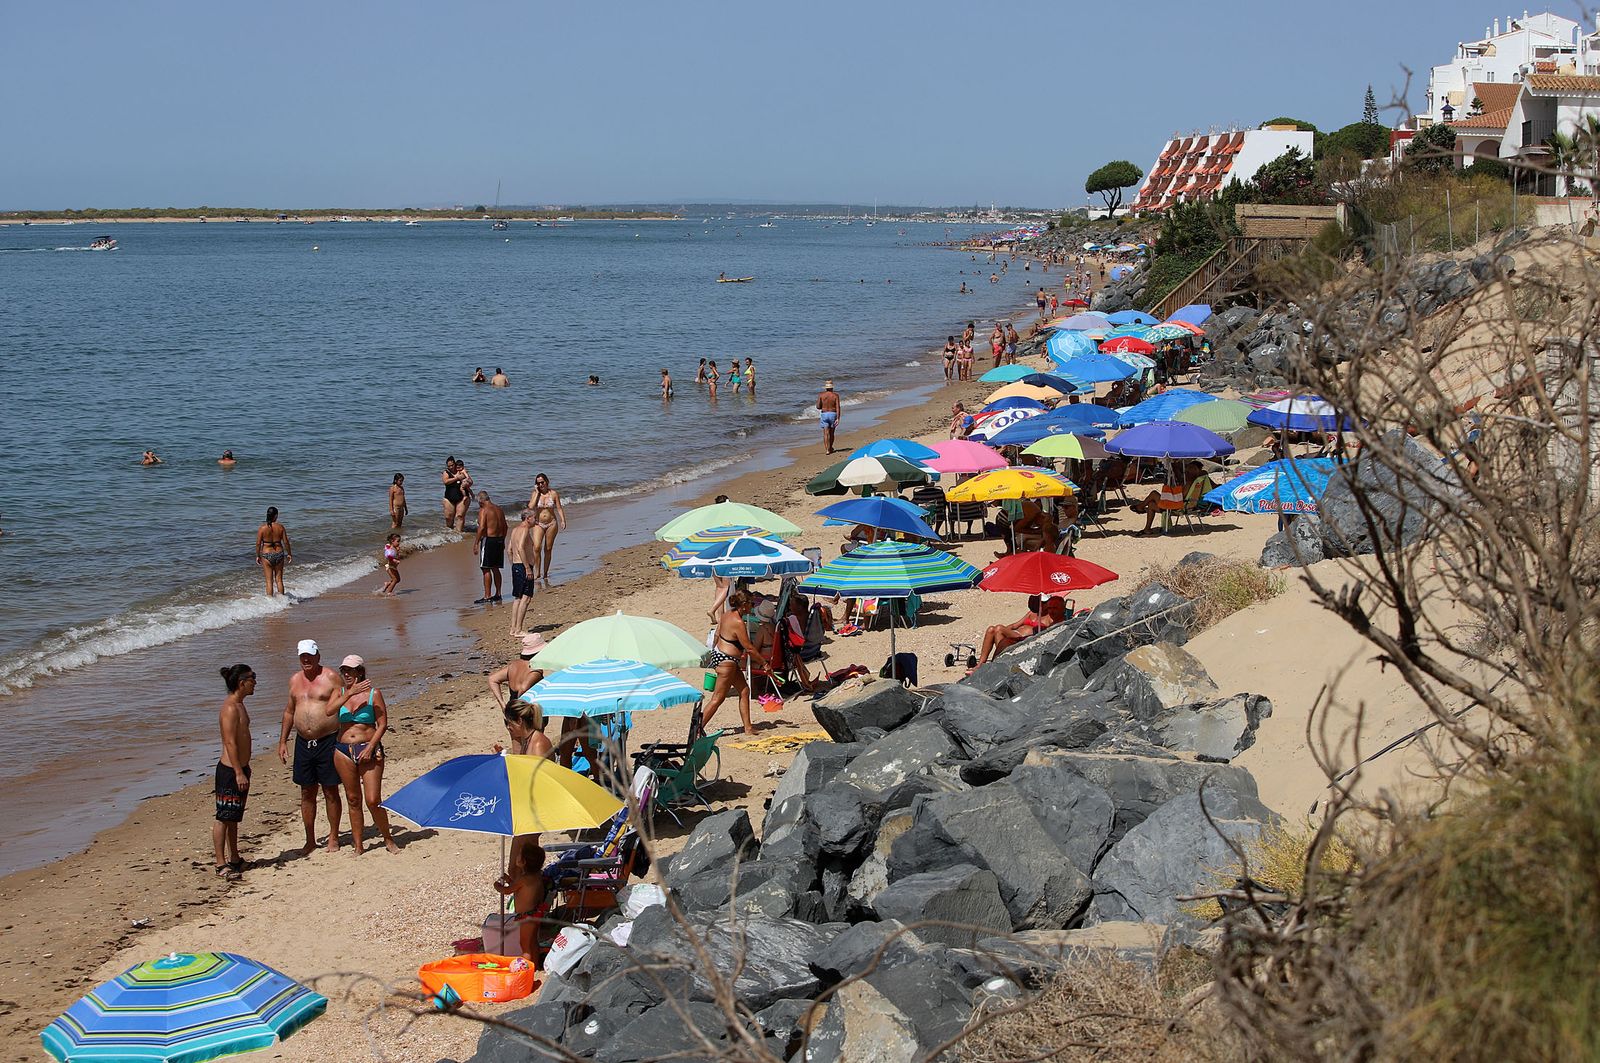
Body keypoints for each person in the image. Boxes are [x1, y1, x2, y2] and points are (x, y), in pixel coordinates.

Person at [322, 655, 398, 854]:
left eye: (351, 670)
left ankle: (388, 839)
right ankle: (358, 845)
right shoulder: (338, 692)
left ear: (360, 672)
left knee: (372, 799)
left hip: (368, 747)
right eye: (344, 670)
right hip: (343, 750)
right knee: (353, 798)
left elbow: (382, 724)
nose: (347, 674)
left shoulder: (374, 693)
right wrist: (349, 694)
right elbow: (329, 711)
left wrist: (371, 747)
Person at [277, 639, 342, 855]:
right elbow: (288, 711)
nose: (306, 659)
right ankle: (310, 840)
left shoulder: (331, 677)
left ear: (318, 656)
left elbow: (342, 708)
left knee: (330, 790)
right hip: (303, 743)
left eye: (310, 655)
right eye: (302, 656)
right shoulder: (294, 680)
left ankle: (333, 836)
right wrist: (283, 740)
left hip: (328, 741)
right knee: (306, 792)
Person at [701, 589, 766, 736]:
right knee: (718, 698)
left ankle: (748, 728)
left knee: (744, 690)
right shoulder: (738, 622)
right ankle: (697, 729)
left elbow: (717, 635)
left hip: (722, 656)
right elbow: (749, 648)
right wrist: (765, 664)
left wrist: (715, 657)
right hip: (727, 661)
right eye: (751, 603)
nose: (753, 606)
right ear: (743, 605)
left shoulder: (725, 615)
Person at [214, 662, 256, 879]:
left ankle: (235, 858)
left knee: (234, 817)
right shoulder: (230, 708)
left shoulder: (240, 704)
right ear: (242, 682)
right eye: (252, 678)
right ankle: (220, 863)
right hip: (230, 771)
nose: (255, 682)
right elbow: (229, 743)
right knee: (223, 816)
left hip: (240, 768)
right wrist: (239, 772)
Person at [493, 833, 547, 962]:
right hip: (535, 913)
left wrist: (497, 886)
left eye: (519, 854)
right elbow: (519, 889)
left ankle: (526, 968)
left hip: (526, 916)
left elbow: (507, 891)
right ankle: (535, 964)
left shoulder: (523, 879)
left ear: (523, 862)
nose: (517, 856)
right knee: (533, 941)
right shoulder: (535, 876)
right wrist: (509, 879)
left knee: (525, 946)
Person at [974, 595, 1062, 668]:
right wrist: (1006, 630)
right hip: (1016, 634)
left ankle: (995, 664)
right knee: (992, 630)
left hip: (1024, 639)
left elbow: (1050, 631)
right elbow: (1015, 625)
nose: (1041, 604)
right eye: (1040, 602)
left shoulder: (1050, 617)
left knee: (999, 629)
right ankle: (982, 663)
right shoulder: (1032, 613)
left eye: (1044, 603)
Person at [489, 632, 547, 711]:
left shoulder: (514, 665)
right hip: (526, 712)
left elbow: (493, 679)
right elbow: (523, 688)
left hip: (511, 708)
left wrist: (503, 704)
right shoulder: (535, 671)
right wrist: (520, 709)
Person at [527, 474, 566, 583]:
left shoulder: (553, 494)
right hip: (538, 523)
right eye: (538, 483)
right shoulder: (535, 494)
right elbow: (530, 507)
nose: (541, 484)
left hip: (551, 524)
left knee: (548, 549)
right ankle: (537, 572)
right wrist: (537, 492)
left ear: (547, 482)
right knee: (536, 547)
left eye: (542, 482)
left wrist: (563, 520)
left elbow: (559, 508)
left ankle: (545, 573)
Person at [475, 491, 507, 604]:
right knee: (496, 568)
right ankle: (498, 594)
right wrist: (503, 540)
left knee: (485, 568)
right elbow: (505, 526)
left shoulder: (484, 510)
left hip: (489, 540)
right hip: (499, 539)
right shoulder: (499, 509)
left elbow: (482, 527)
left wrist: (476, 543)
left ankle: (487, 595)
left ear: (481, 501)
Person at [498, 696, 555, 760]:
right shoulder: (527, 739)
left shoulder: (538, 745)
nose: (508, 727)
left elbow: (538, 769)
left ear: (519, 721)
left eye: (509, 723)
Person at [507, 510, 536, 634]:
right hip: (524, 567)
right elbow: (520, 548)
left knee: (518, 598)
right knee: (526, 598)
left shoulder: (514, 530)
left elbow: (509, 550)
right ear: (528, 518)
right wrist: (527, 568)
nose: (536, 520)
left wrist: (513, 565)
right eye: (534, 517)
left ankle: (513, 629)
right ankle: (518, 629)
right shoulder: (524, 530)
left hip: (516, 566)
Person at [255, 507, 290, 597]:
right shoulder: (280, 527)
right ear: (276, 516)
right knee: (279, 580)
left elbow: (258, 544)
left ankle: (271, 604)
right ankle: (283, 602)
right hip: (279, 553)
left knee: (269, 581)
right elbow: (286, 542)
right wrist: (289, 553)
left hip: (266, 555)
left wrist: (258, 555)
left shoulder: (262, 528)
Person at [442, 457, 470, 531]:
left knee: (460, 516)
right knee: (448, 517)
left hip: (462, 498)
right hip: (449, 498)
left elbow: (470, 481)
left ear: (455, 464)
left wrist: (467, 482)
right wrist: (457, 478)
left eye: (452, 465)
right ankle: (449, 533)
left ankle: (459, 533)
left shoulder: (462, 471)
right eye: (449, 466)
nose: (451, 467)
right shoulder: (446, 472)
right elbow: (446, 481)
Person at [817, 380, 841, 454]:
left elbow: (818, 406)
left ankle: (827, 450)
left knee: (825, 433)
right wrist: (838, 418)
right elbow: (838, 407)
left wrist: (823, 406)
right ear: (832, 388)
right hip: (833, 414)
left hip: (824, 414)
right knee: (831, 433)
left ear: (825, 388)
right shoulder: (835, 395)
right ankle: (830, 448)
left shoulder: (821, 395)